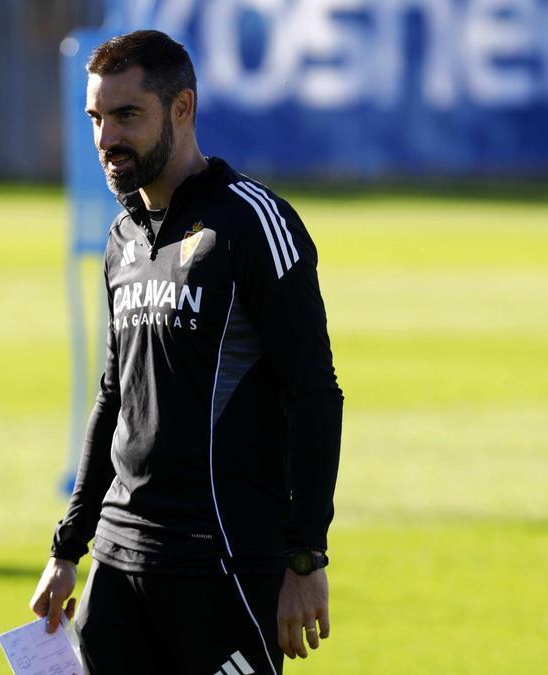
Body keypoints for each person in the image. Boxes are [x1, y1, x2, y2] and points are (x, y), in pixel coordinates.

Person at [29, 30, 344, 674]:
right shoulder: (123, 235)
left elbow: (314, 393)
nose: (106, 137)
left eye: (127, 116)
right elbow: (114, 398)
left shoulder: (253, 223)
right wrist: (68, 548)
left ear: (182, 109)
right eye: (95, 118)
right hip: (119, 559)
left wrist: (305, 556)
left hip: (220, 559)